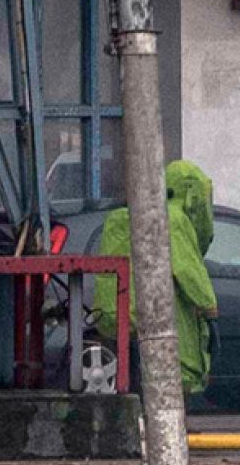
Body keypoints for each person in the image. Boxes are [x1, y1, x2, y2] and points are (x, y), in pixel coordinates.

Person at [93, 160, 219, 395]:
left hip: (115, 312)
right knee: (176, 366)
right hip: (155, 311)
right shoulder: (173, 219)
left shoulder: (123, 217)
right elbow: (187, 269)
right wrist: (208, 304)